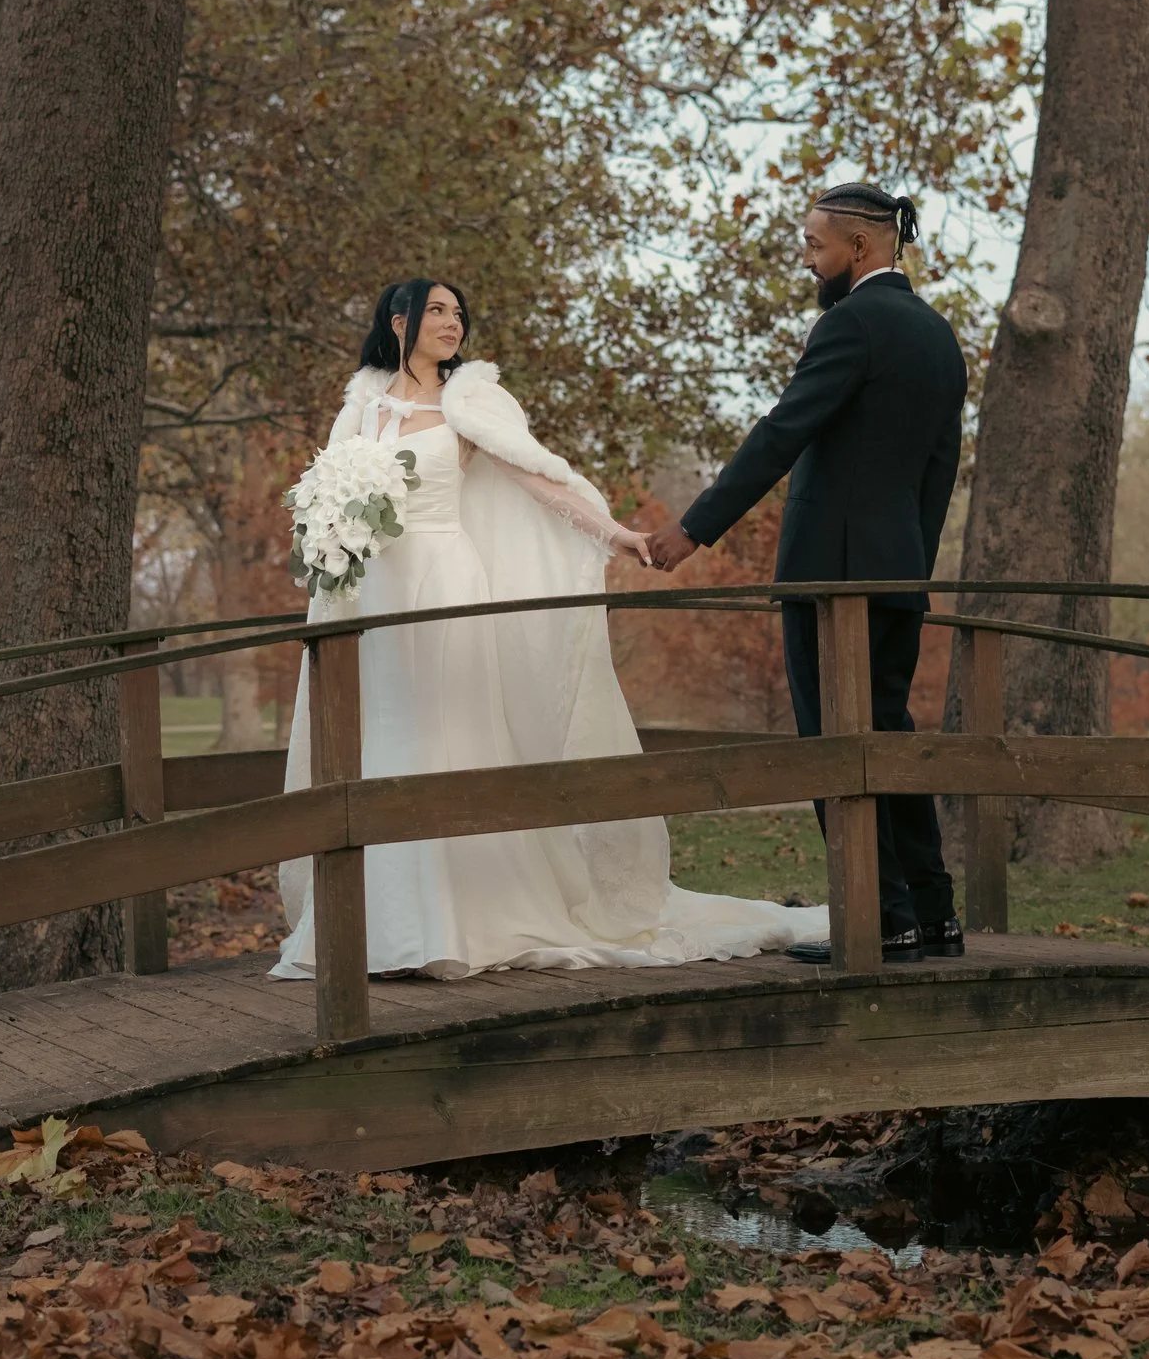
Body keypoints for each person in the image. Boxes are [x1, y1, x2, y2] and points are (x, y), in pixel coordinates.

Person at [270, 278, 828, 980]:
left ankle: (462, 919)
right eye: (437, 311)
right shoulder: (358, 404)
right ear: (399, 319)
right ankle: (374, 924)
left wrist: (620, 534)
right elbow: (323, 490)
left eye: (459, 312)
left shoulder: (469, 400)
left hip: (444, 583)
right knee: (382, 739)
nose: (453, 323)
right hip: (372, 597)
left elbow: (541, 479)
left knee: (447, 734)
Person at [645, 183, 967, 964]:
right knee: (888, 736)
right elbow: (939, 469)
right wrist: (910, 572)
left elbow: (781, 433)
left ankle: (880, 920)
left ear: (859, 248)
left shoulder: (851, 322)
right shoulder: (937, 334)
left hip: (830, 583)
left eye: (815, 245)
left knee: (835, 744)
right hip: (895, 577)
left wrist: (693, 529)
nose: (808, 259)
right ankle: (933, 916)